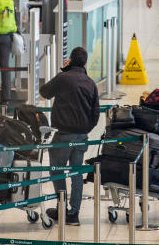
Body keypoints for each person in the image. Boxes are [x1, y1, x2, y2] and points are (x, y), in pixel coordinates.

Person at [41, 46, 100, 226]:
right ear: (85, 63)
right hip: (81, 136)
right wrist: (85, 129)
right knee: (76, 174)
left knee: (57, 171)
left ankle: (61, 208)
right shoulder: (91, 83)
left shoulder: (63, 78)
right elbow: (95, 114)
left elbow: (44, 92)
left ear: (70, 61)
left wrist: (64, 70)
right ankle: (73, 214)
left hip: (63, 134)